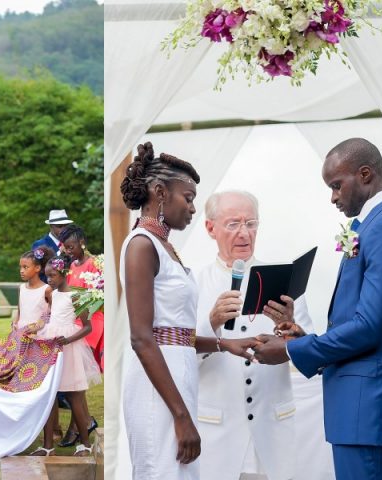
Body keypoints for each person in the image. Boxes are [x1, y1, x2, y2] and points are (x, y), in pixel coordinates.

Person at [254, 138, 382, 480]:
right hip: (358, 407)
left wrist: (290, 349)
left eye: (335, 185)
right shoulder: (375, 225)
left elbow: (369, 327)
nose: (332, 197)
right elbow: (361, 320)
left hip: (370, 405)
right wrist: (306, 336)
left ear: (365, 174)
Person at [119, 142, 257, 479]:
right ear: (160, 193)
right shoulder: (141, 245)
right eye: (189, 198)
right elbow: (142, 338)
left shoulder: (166, 248)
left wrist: (227, 344)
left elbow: (176, 333)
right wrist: (181, 416)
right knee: (161, 469)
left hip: (178, 379)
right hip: (158, 389)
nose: (193, 209)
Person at [195, 190, 314, 480]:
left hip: (272, 434)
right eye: (233, 223)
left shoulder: (284, 281)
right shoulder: (194, 283)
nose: (244, 233)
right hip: (218, 435)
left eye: (251, 223)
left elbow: (310, 357)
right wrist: (211, 322)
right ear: (211, 228)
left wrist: (292, 328)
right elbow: (178, 359)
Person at [33, 254, 101, 457]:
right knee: (49, 395)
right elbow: (52, 319)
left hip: (69, 348)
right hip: (53, 346)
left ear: (63, 273)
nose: (49, 280)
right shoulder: (53, 294)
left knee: (75, 397)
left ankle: (85, 444)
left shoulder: (76, 295)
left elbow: (87, 327)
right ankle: (47, 446)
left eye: (52, 275)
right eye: (46, 276)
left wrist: (68, 340)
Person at [55, 224, 101, 448]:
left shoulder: (95, 265)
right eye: (65, 247)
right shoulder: (71, 266)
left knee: (77, 383)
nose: (69, 251)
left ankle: (79, 425)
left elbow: (98, 296)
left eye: (71, 246)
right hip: (70, 327)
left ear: (82, 242)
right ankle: (84, 422)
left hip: (91, 324)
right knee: (73, 384)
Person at [14, 247, 52, 331]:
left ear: (37, 268)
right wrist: (15, 322)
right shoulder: (21, 288)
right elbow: (20, 311)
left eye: (25, 267)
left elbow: (52, 313)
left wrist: (38, 327)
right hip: (21, 333)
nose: (21, 271)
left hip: (39, 334)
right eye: (20, 267)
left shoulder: (46, 289)